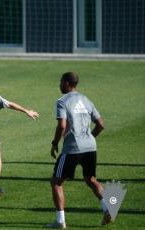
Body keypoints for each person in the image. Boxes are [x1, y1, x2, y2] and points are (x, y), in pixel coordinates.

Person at [48, 72, 110, 229]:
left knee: (56, 182)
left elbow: (62, 125)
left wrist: (55, 143)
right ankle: (107, 207)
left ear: (68, 84)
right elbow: (101, 124)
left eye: (61, 82)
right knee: (91, 180)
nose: (59, 84)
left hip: (72, 148)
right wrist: (90, 138)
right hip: (90, 147)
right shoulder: (86, 100)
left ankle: (60, 221)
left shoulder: (62, 101)